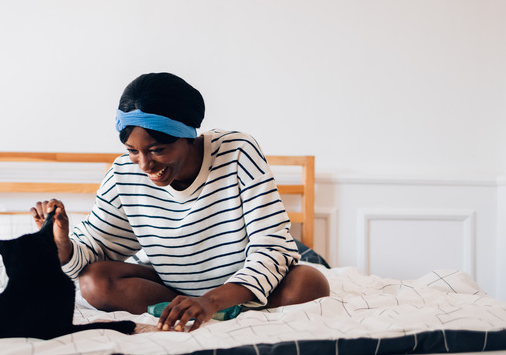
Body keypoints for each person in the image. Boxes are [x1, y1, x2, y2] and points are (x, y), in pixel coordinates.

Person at [31, 72, 329, 332]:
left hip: (239, 288)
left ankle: (219, 307)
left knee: (309, 283)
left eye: (157, 149)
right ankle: (184, 307)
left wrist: (212, 300)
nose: (144, 164)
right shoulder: (124, 173)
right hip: (171, 287)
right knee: (94, 282)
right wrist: (62, 244)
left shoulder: (237, 151)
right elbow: (96, 249)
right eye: (133, 151)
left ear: (187, 135)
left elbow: (272, 247)